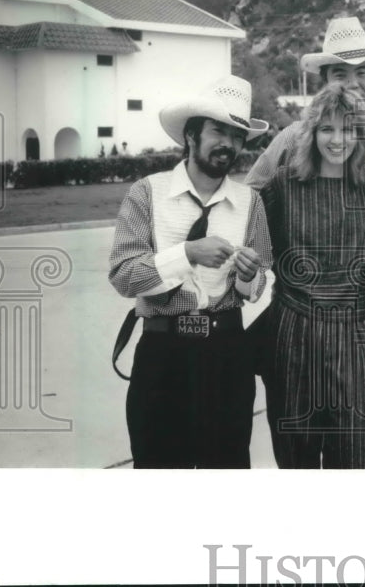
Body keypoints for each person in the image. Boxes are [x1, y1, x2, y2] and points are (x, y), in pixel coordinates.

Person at [108, 75, 273, 468]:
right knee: (160, 472)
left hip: (228, 355)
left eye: (237, 136)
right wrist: (187, 253)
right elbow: (123, 275)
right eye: (219, 131)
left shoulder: (250, 202)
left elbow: (260, 280)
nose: (228, 144)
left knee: (227, 471)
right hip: (163, 354)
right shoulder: (146, 193)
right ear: (191, 135)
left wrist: (250, 276)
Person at [260, 84, 365, 468]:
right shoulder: (283, 185)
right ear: (311, 133)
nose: (338, 139)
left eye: (348, 129)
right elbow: (261, 253)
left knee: (355, 453)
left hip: (355, 332)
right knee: (295, 450)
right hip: (294, 330)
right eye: (327, 129)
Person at [244, 16, 365, 190]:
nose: (353, 83)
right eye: (340, 74)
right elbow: (249, 195)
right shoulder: (292, 138)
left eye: (362, 72)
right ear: (325, 84)